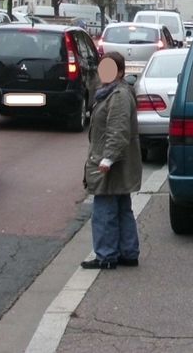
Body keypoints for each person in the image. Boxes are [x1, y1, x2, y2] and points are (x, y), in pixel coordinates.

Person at [81, 51, 142, 269]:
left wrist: (107, 159)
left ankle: (106, 256)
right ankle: (128, 252)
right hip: (119, 162)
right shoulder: (112, 93)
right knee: (122, 207)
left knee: (104, 210)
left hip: (111, 164)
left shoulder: (117, 95)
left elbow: (118, 130)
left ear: (121, 72)